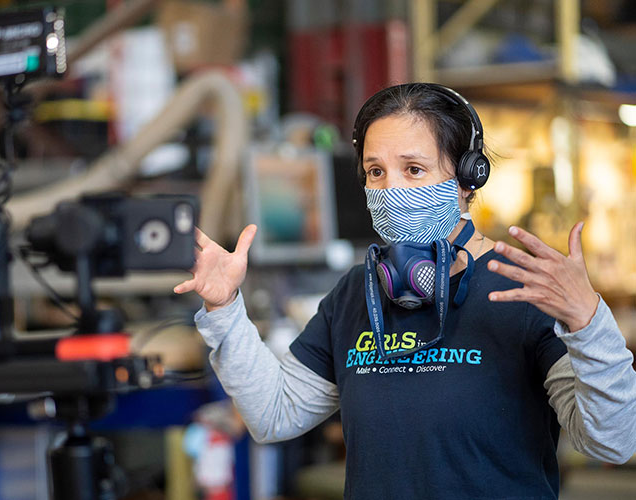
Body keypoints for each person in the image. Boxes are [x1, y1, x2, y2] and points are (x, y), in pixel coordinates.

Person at [173, 82, 636, 499]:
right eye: (376, 172)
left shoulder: (528, 287)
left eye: (414, 169)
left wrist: (588, 321)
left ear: (468, 177)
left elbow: (613, 441)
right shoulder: (355, 293)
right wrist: (224, 307)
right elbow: (274, 414)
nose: (391, 188)